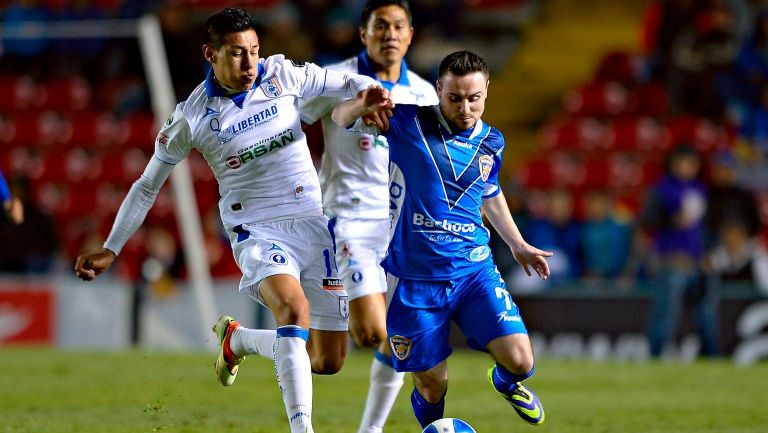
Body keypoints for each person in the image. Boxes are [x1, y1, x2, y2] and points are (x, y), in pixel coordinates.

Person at [74, 8, 385, 433]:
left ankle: (237, 340)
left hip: (314, 224)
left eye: (254, 51)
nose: (250, 63)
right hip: (258, 229)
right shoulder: (192, 118)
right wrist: (112, 246)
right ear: (211, 54)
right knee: (293, 310)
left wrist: (371, 95)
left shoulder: (282, 75)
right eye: (238, 53)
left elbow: (347, 80)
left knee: (326, 361)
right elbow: (147, 185)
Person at [332, 50, 552, 428]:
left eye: (474, 98)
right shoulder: (406, 121)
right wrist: (359, 105)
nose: (465, 107)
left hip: (473, 272)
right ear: (438, 90)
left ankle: (504, 382)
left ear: (486, 92)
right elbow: (340, 119)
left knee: (521, 361)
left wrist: (518, 245)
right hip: (413, 278)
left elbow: (489, 192)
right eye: (455, 98)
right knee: (432, 386)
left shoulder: (492, 141)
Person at [300, 2, 438, 432]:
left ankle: (371, 430)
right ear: (363, 33)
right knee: (371, 335)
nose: (389, 34)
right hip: (349, 221)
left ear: (410, 34)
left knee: (389, 339)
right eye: (380, 26)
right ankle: (275, 344)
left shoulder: (425, 93)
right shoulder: (334, 78)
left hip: (401, 228)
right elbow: (293, 124)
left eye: (398, 26)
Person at [640, 145, 721, 357]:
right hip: (671, 262)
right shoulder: (661, 188)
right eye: (683, 162)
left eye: (692, 163)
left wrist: (707, 253)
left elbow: (705, 227)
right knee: (666, 315)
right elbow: (647, 220)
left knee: (706, 313)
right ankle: (656, 355)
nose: (687, 167)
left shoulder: (700, 189)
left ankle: (712, 356)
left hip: (697, 262)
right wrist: (671, 220)